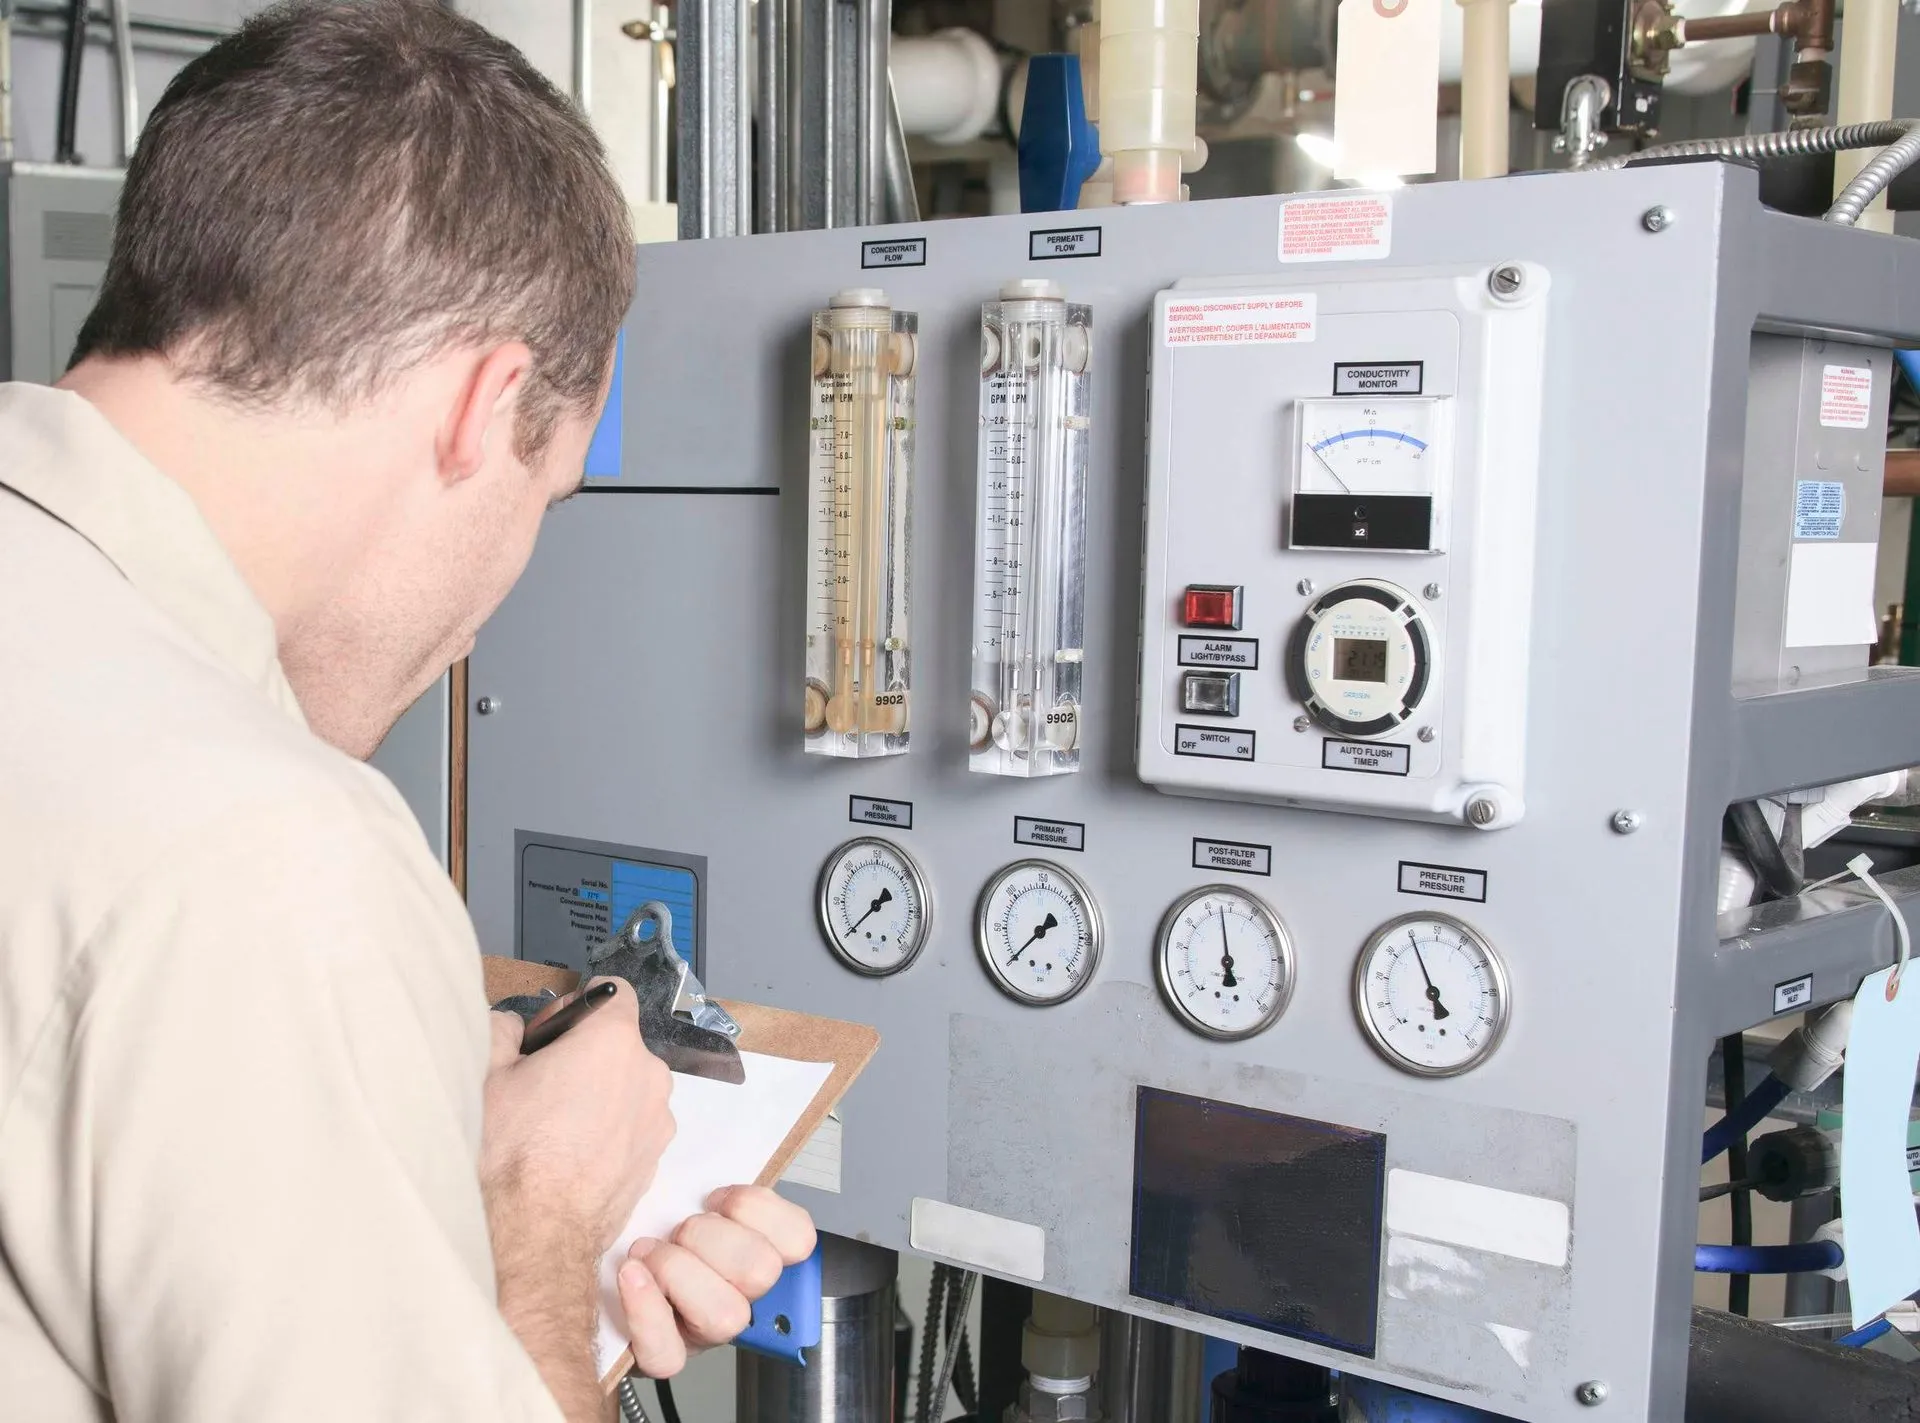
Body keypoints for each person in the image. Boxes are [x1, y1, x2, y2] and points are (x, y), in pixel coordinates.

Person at [0, 2, 813, 1419]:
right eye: (542, 499)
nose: (481, 622)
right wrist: (535, 1226)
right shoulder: (266, 856)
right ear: (485, 402)